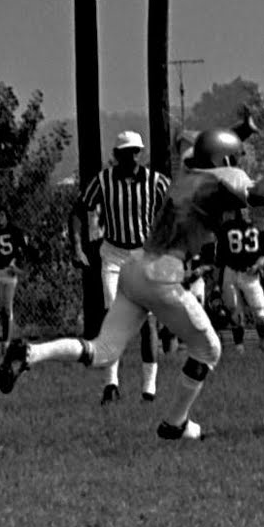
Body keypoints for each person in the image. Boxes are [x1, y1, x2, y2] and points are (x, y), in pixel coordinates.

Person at [0, 126, 264, 442]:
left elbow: (206, 151)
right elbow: (261, 196)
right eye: (236, 157)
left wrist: (240, 131)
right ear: (224, 158)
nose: (239, 163)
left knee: (103, 351)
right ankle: (175, 423)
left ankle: (29, 353)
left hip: (134, 267)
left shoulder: (187, 174)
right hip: (162, 276)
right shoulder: (224, 176)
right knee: (209, 350)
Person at [74, 131, 170, 403]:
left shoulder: (156, 181)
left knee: (146, 321)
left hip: (144, 255)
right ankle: (111, 383)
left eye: (136, 151)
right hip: (114, 254)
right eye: (127, 153)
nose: (132, 157)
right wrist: (76, 246)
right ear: (117, 155)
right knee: (113, 319)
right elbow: (79, 210)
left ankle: (149, 389)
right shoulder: (104, 181)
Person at [217, 210, 264, 350]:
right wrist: (217, 282)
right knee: (235, 312)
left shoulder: (263, 226)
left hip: (250, 273)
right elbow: (220, 257)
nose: (242, 211)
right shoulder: (226, 228)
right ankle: (239, 349)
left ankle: (263, 344)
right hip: (231, 271)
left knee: (259, 312)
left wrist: (258, 265)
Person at [0, 210, 28, 349]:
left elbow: (24, 251)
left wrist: (19, 268)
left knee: (6, 309)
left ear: (7, 216)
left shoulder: (15, 231)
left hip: (7, 272)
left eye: (2, 215)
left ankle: (6, 342)